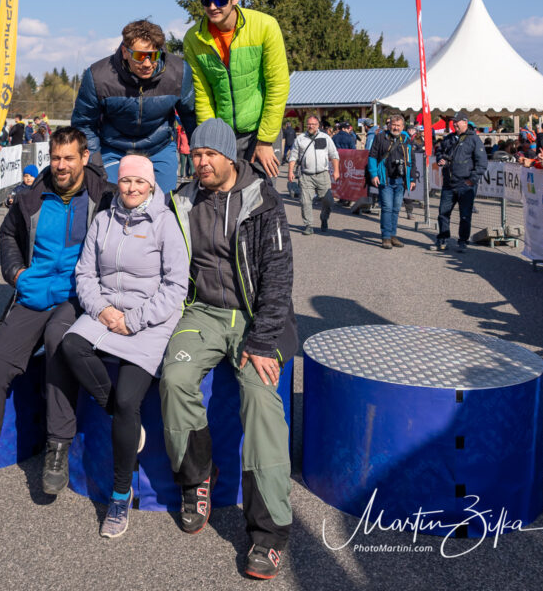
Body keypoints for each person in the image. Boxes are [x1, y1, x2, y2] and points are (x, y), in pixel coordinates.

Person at [0, 127, 115, 508]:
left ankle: (57, 445)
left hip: (75, 297)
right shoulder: (30, 197)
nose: (61, 166)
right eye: (55, 158)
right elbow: (7, 235)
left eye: (69, 158)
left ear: (84, 158)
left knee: (59, 342)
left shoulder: (104, 197)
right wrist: (16, 274)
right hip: (32, 295)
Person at [160, 118, 296, 581]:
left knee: (259, 395)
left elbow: (278, 278)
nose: (200, 163)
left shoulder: (263, 201)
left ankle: (269, 531)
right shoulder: (181, 201)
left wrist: (262, 340)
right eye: (195, 154)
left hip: (253, 317)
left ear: (229, 157)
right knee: (175, 378)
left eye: (209, 155)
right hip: (201, 313)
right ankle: (197, 478)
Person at [60, 154, 188, 538]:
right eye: (126, 181)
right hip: (106, 313)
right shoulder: (103, 220)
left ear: (151, 186)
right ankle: (120, 417)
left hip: (149, 322)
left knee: (130, 401)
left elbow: (176, 286)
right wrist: (101, 310)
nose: (131, 188)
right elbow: (85, 273)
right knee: (70, 345)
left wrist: (134, 320)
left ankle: (119, 495)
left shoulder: (165, 223)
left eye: (139, 182)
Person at [182, 0, 289, 179]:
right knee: (221, 193)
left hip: (261, 129)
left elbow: (278, 85)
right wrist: (210, 142)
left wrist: (265, 140)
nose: (212, 7)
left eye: (220, 1)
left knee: (262, 193)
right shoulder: (193, 38)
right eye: (206, 1)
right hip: (223, 134)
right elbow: (202, 95)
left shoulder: (265, 26)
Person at [72, 19, 196, 193]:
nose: (147, 64)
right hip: (114, 147)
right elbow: (84, 124)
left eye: (153, 56)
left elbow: (190, 117)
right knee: (110, 199)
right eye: (139, 56)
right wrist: (96, 164)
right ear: (125, 52)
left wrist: (199, 156)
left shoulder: (179, 72)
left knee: (166, 202)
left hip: (159, 146)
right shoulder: (98, 76)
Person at [434, 111, 487, 252]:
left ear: (465, 122)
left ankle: (463, 241)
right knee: (443, 213)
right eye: (453, 122)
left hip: (465, 184)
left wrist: (472, 180)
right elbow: (439, 152)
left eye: (457, 121)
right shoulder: (448, 138)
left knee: (465, 215)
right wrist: (440, 159)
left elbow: (482, 163)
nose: (454, 124)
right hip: (449, 184)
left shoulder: (474, 139)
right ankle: (443, 238)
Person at [367, 114, 418, 249]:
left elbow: (412, 160)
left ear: (403, 127)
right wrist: (373, 174)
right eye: (393, 125)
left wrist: (412, 178)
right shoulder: (380, 137)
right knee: (387, 208)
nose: (395, 128)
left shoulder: (406, 139)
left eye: (398, 125)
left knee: (396, 209)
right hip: (385, 179)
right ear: (389, 125)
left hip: (400, 180)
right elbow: (372, 156)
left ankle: (393, 235)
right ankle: (386, 237)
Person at [287, 115, 340, 234]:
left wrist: (336, 171)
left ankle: (324, 218)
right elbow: (293, 156)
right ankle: (308, 225)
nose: (311, 126)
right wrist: (290, 171)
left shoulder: (325, 138)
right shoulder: (300, 139)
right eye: (309, 124)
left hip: (322, 174)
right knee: (305, 201)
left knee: (328, 201)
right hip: (306, 175)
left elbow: (334, 155)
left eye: (313, 124)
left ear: (318, 125)